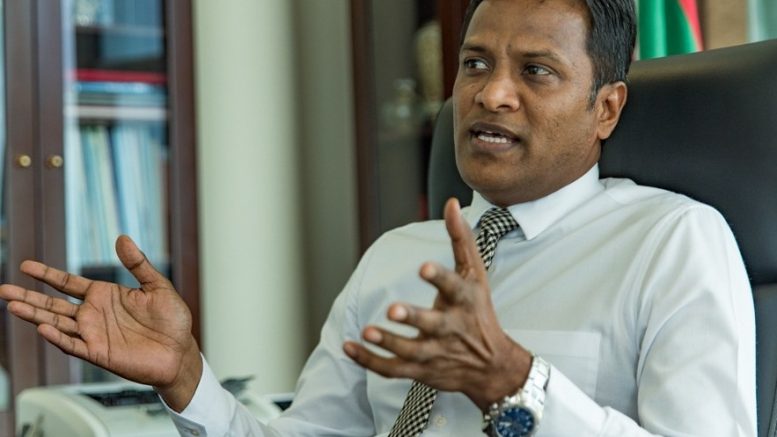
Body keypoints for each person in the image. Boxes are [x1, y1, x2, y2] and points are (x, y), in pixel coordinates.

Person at [0, 0, 756, 435]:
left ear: (606, 108)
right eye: (474, 63)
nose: (490, 94)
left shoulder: (672, 241)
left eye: (535, 71)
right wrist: (188, 378)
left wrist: (516, 384)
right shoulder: (397, 255)